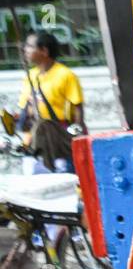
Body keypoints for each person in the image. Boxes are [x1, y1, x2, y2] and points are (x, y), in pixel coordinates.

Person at [15, 31, 86, 174]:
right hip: (33, 145)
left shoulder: (65, 75)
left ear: (44, 51)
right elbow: (24, 109)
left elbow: (77, 112)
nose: (25, 50)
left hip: (58, 142)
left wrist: (77, 140)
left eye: (30, 46)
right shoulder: (30, 76)